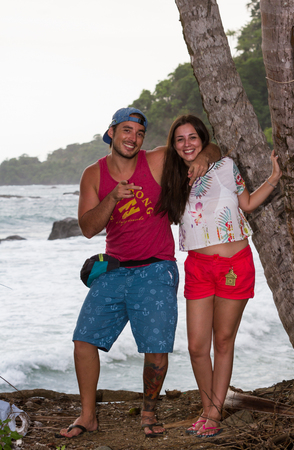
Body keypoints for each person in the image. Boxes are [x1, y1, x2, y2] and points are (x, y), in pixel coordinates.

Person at [59, 107, 221, 439]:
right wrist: (113, 198)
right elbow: (88, 227)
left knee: (156, 346)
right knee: (83, 340)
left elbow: (209, 148)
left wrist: (207, 156)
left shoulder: (157, 160)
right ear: (112, 133)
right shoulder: (93, 174)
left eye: (139, 133)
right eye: (127, 130)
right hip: (114, 269)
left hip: (157, 266)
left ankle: (149, 411)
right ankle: (88, 416)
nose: (133, 138)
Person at [157, 114, 282, 438]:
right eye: (180, 139)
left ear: (203, 140)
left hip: (232, 265)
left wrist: (273, 177)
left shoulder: (225, 166)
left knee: (223, 341)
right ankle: (209, 406)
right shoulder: (172, 176)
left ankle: (212, 413)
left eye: (192, 138)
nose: (187, 144)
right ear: (174, 145)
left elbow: (248, 203)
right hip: (197, 267)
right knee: (198, 346)